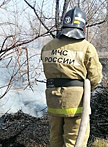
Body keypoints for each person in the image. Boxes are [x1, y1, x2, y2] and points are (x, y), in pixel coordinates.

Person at [41, 6, 103, 147]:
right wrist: (86, 88)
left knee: (55, 139)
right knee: (74, 141)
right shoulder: (86, 47)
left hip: (53, 100)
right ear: (84, 28)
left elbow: (48, 71)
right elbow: (95, 77)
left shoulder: (48, 46)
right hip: (76, 103)